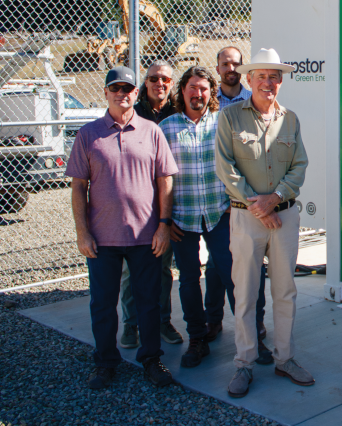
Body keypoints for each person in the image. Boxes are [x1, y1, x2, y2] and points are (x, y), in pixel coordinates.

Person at [66, 66, 177, 389]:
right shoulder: (88, 134)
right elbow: (77, 187)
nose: (122, 93)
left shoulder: (151, 132)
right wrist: (82, 232)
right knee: (103, 304)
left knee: (149, 301)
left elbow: (164, 180)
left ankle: (152, 360)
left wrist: (163, 225)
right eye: (115, 87)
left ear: (135, 93)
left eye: (128, 88)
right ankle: (105, 362)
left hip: (145, 236)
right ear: (105, 93)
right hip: (102, 239)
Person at [215, 48, 310, 397]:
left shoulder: (291, 120)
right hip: (246, 218)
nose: (268, 82)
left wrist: (275, 199)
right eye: (261, 76)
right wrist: (259, 207)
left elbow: (299, 165)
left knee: (285, 291)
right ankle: (245, 362)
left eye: (274, 77)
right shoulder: (230, 118)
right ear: (249, 79)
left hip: (283, 215)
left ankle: (285, 359)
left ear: (280, 81)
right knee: (245, 293)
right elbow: (225, 167)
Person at [158, 66, 236, 368]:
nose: (198, 93)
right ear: (183, 91)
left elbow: (237, 164)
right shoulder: (166, 128)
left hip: (219, 214)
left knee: (231, 276)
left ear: (211, 93)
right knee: (189, 280)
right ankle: (197, 338)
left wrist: (234, 202)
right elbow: (159, 178)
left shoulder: (223, 123)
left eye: (204, 88)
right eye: (193, 87)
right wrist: (166, 219)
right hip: (183, 219)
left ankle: (248, 335)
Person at [205, 47, 270, 357]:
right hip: (215, 200)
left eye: (235, 63)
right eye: (225, 63)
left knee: (251, 265)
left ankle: (256, 325)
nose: (230, 68)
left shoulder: (252, 101)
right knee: (216, 265)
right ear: (217, 68)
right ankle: (213, 320)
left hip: (246, 201)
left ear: (243, 68)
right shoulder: (207, 101)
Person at [119, 60, 183, 349]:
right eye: (154, 78)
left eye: (166, 80)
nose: (160, 83)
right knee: (131, 271)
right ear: (145, 83)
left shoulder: (179, 113)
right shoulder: (133, 112)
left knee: (162, 269)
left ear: (172, 84)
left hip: (167, 206)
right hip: (137, 207)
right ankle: (131, 325)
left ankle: (162, 320)